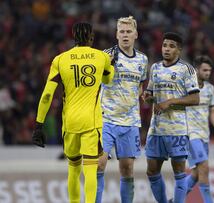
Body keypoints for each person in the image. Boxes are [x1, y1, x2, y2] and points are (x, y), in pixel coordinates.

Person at [32, 22, 114, 203]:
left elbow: (47, 95)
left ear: (73, 37)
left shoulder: (60, 60)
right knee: (90, 170)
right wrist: (111, 64)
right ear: (91, 37)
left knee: (73, 169)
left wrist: (39, 125)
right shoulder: (101, 57)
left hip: (70, 123)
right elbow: (108, 80)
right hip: (91, 123)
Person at [142, 32, 200, 203]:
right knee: (151, 171)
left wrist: (171, 101)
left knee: (179, 172)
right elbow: (151, 93)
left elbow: (195, 99)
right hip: (157, 128)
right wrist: (148, 97)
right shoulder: (155, 68)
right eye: (165, 45)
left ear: (179, 50)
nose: (166, 49)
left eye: (171, 46)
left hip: (177, 128)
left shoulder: (186, 69)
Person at [96, 16, 148, 203]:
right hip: (105, 119)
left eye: (128, 32)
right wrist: (106, 66)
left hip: (130, 121)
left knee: (127, 168)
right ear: (116, 34)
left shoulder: (142, 60)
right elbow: (96, 83)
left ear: (135, 34)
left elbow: (140, 85)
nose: (125, 35)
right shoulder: (105, 55)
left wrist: (142, 95)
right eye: (122, 32)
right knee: (99, 164)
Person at [183, 55, 214, 203]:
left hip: (204, 135)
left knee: (196, 174)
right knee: (204, 167)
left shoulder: (210, 89)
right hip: (190, 134)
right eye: (205, 70)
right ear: (196, 70)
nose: (208, 73)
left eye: (209, 70)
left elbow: (213, 112)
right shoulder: (187, 86)